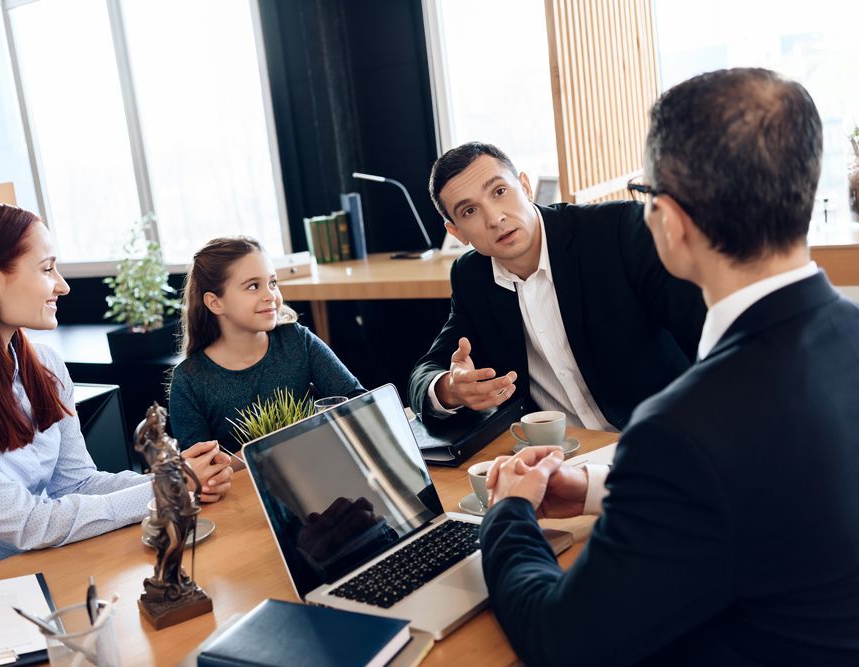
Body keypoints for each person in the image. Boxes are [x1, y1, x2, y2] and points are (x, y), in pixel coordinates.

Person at [482, 68, 859, 664]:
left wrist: (508, 515)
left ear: (671, 220)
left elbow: (562, 642)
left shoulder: (683, 429)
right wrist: (597, 489)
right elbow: (774, 484)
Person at [0, 202, 233, 595]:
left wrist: (170, 481)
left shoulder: (44, 367)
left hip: (46, 574)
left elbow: (76, 483)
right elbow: (30, 524)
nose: (63, 285)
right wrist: (168, 487)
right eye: (47, 268)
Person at [408, 142, 706, 434]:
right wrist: (449, 389)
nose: (495, 218)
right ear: (456, 232)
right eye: (469, 211)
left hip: (665, 438)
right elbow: (425, 372)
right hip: (560, 457)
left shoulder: (617, 231)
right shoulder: (471, 276)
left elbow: (708, 334)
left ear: (525, 186)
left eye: (499, 192)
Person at [169, 236, 364, 453]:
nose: (270, 295)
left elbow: (359, 401)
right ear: (215, 302)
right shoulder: (188, 380)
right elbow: (201, 469)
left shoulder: (297, 340)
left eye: (272, 283)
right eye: (253, 286)